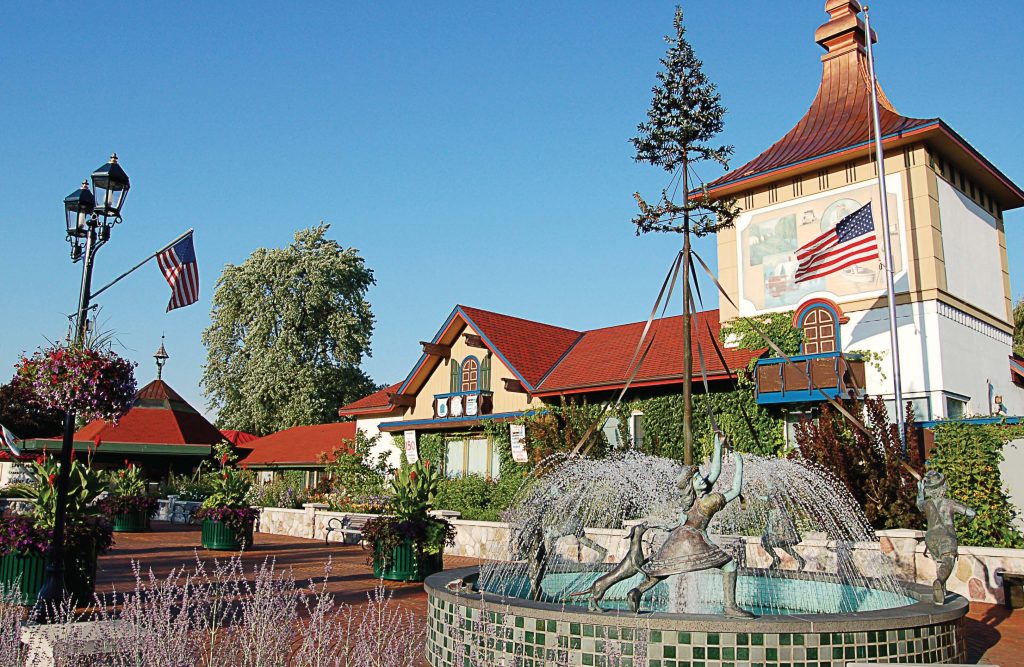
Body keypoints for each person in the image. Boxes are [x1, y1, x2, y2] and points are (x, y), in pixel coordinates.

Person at [627, 434, 753, 617]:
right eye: (697, 479)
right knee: (730, 565)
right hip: (694, 538)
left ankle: (636, 591)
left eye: (700, 476)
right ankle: (730, 606)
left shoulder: (692, 499)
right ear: (691, 486)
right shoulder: (708, 502)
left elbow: (716, 471)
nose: (702, 480)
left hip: (679, 537)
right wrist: (739, 465)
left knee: (665, 569)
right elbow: (735, 490)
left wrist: (717, 444)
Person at [917, 470, 976, 605]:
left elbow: (919, 504)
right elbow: (972, 513)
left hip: (930, 537)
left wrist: (920, 491)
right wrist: (965, 523)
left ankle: (941, 593)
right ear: (943, 487)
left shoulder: (927, 504)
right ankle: (940, 582)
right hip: (946, 536)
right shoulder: (949, 503)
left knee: (939, 563)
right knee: (947, 562)